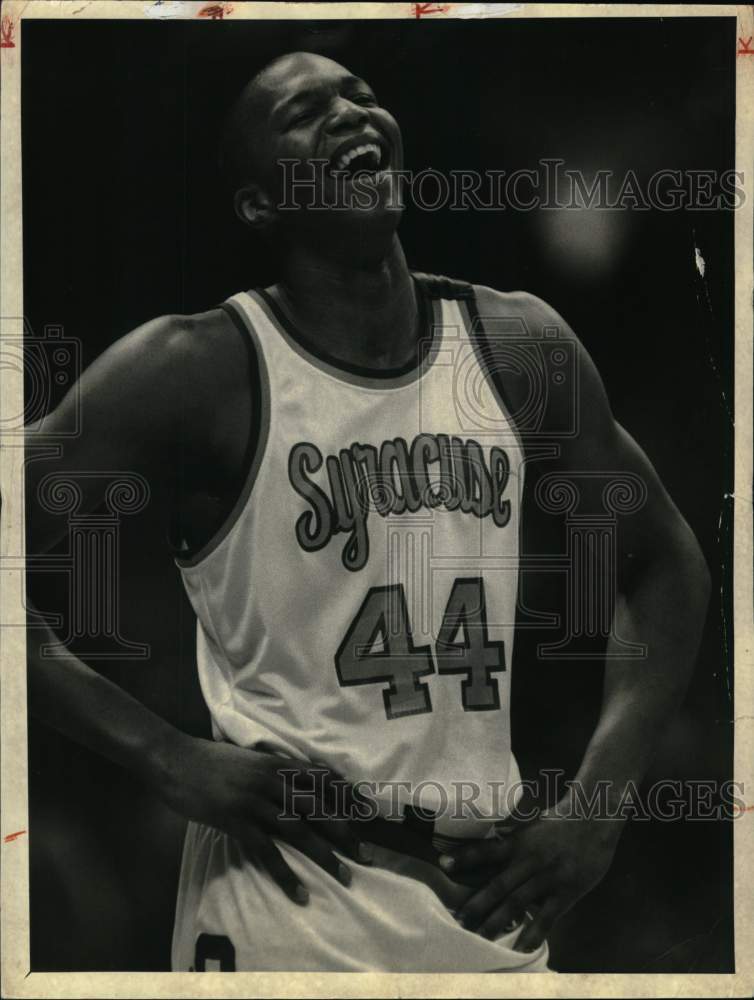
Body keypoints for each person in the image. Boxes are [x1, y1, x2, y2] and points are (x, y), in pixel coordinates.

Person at [26, 51, 711, 972]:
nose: (353, 113)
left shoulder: (517, 344)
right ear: (259, 204)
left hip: (491, 902)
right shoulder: (194, 370)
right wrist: (162, 755)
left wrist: (597, 805)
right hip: (291, 892)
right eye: (306, 112)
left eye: (363, 96)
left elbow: (664, 563)